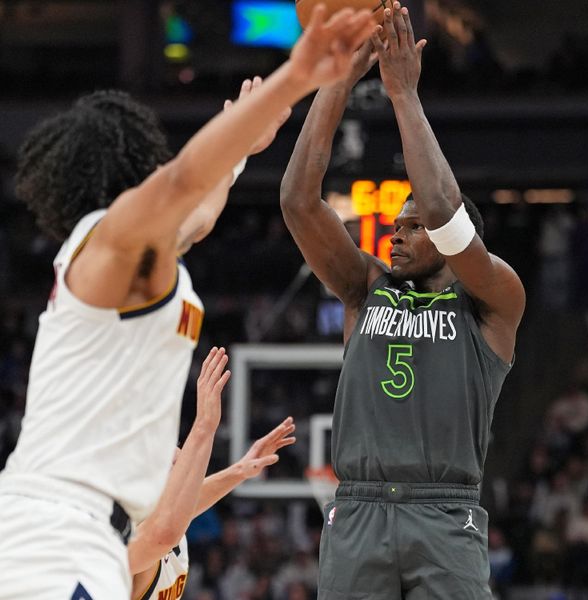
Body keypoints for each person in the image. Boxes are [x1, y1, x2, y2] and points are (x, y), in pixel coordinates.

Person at [0, 7, 376, 598]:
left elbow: (196, 215)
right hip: (55, 530)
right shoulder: (107, 244)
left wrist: (243, 151)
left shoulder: (137, 255)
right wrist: (297, 73)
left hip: (83, 531)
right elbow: (180, 186)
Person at [279, 4, 525, 597]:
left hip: (444, 513)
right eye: (398, 221)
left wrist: (403, 96)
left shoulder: (492, 296)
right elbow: (297, 201)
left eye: (411, 226)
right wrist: (336, 81)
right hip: (359, 509)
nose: (398, 231)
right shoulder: (366, 287)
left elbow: (443, 211)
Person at [128, 347, 296, 600]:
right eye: (173, 459)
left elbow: (189, 502)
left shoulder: (167, 519)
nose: (180, 455)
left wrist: (240, 470)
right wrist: (204, 425)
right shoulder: (131, 537)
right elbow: (164, 532)